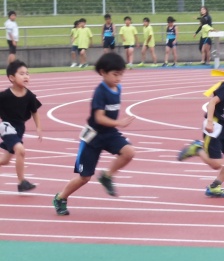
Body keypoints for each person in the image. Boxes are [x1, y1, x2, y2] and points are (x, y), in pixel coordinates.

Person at [53, 52, 136, 216]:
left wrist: (115, 125)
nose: (118, 78)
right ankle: (61, 197)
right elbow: (99, 118)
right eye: (115, 74)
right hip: (92, 137)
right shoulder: (100, 92)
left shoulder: (118, 88)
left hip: (109, 133)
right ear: (103, 72)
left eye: (121, 74)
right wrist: (119, 123)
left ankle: (106, 176)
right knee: (84, 177)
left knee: (129, 152)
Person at [177, 50, 224, 197]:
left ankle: (214, 186)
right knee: (216, 164)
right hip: (215, 126)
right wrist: (210, 122)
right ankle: (197, 149)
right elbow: (212, 102)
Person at [0, 60, 42, 192]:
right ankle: (21, 182)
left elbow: (34, 112)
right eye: (22, 74)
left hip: (19, 129)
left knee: (5, 161)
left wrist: (38, 127)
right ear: (12, 78)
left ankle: (21, 182)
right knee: (20, 150)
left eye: (27, 74)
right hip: (6, 126)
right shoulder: (4, 96)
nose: (26, 76)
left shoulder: (29, 96)